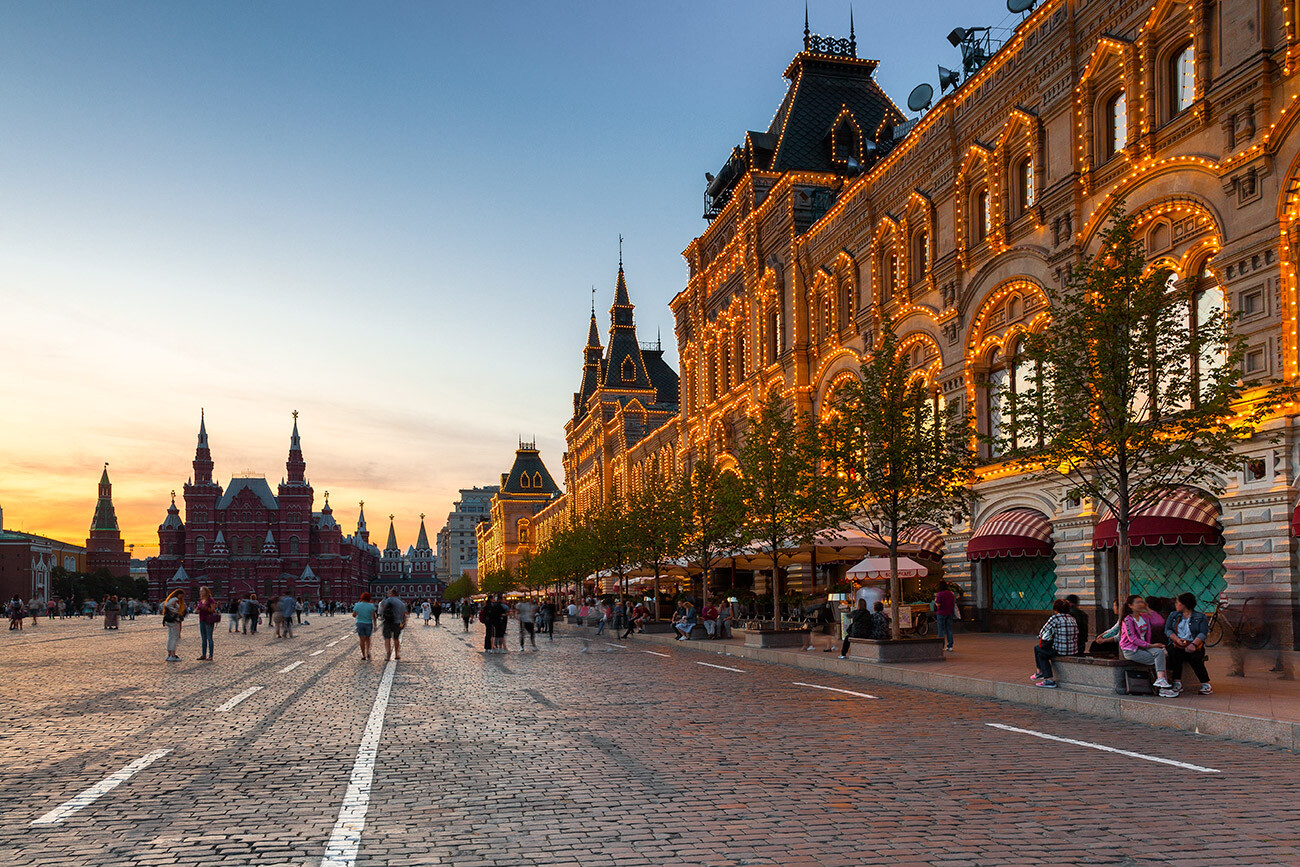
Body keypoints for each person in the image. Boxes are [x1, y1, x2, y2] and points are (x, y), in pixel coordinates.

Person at [1120, 596, 1176, 696]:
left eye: (1142, 602)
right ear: (1130, 606)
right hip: (1131, 650)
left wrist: (1149, 611)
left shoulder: (1145, 617)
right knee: (1160, 658)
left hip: (1145, 647)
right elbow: (1132, 638)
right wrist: (1150, 645)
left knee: (1160, 652)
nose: (1141, 604)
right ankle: (1163, 688)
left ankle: (1161, 681)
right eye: (1137, 603)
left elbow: (1159, 622)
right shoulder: (1127, 620)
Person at [1164, 592, 1212, 696]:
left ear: (1184, 604)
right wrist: (1176, 639)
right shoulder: (1173, 615)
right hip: (1177, 644)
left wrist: (1193, 644)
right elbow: (1167, 630)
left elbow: (1203, 632)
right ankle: (1177, 682)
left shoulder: (1200, 617)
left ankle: (1205, 684)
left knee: (1194, 657)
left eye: (1178, 603)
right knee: (1174, 654)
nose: (1176, 605)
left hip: (1194, 643)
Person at [1032, 599, 1079, 688]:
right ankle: (1039, 672)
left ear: (1056, 609)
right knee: (1038, 649)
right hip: (1073, 650)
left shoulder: (1055, 618)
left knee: (1040, 652)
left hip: (1060, 650)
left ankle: (1047, 678)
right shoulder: (1072, 618)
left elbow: (1042, 633)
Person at [378, 589, 407, 661]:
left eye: (388, 593)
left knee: (387, 638)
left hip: (387, 622)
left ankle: (388, 654)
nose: (387, 594)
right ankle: (397, 654)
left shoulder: (385, 601)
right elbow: (404, 614)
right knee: (396, 638)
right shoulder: (401, 603)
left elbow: (380, 611)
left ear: (392, 594)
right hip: (397, 623)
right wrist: (404, 623)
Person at [162, 589, 187, 662]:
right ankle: (173, 655)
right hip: (174, 621)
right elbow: (167, 605)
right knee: (175, 637)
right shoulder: (175, 599)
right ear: (178, 594)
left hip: (169, 621)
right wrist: (176, 612)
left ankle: (169, 654)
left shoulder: (170, 599)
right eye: (181, 595)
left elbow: (166, 605)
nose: (181, 597)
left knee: (170, 637)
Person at [195, 586, 219, 661]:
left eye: (202, 591)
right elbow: (198, 609)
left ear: (206, 591)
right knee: (203, 638)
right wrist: (196, 610)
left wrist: (204, 608)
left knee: (209, 638)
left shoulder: (210, 600)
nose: (200, 592)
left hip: (208, 621)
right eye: (200, 591)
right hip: (201, 620)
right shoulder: (201, 600)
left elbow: (212, 610)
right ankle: (203, 655)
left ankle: (211, 656)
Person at [352, 592, 377, 660]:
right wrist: (375, 625)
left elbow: (354, 615)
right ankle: (368, 652)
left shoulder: (357, 605)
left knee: (362, 639)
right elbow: (374, 616)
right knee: (368, 639)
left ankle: (363, 655)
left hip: (360, 623)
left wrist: (359, 614)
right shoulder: (371, 606)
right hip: (368, 623)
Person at [934, 583, 956, 652]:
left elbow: (938, 604)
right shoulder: (951, 593)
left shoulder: (940, 594)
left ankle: (941, 646)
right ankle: (950, 646)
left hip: (941, 613)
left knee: (941, 630)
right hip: (949, 613)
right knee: (949, 629)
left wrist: (935, 601)